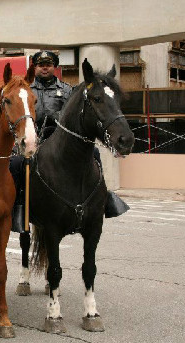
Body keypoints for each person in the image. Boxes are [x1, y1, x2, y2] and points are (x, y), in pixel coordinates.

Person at [9, 50, 128, 233]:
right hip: (36, 139)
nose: (45, 67)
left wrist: (56, 115)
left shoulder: (67, 90)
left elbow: (76, 114)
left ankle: (105, 198)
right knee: (16, 163)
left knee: (94, 153)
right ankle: (19, 207)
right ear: (35, 67)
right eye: (41, 65)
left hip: (61, 141)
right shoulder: (27, 91)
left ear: (55, 67)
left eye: (48, 64)